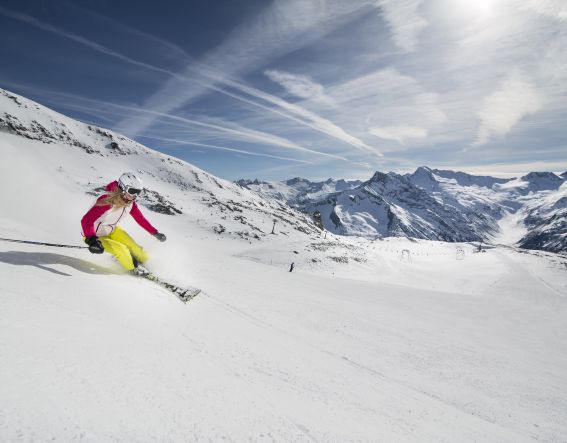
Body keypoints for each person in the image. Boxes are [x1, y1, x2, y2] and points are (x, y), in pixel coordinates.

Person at [81, 172, 166, 276]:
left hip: (112, 230)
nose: (135, 196)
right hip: (95, 235)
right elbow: (86, 220)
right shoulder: (107, 200)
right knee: (122, 249)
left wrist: (154, 232)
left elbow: (140, 219)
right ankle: (133, 269)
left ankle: (146, 265)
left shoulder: (129, 203)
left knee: (135, 248)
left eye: (138, 192)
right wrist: (91, 240)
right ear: (122, 187)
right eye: (132, 191)